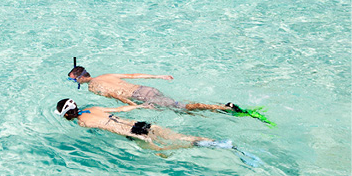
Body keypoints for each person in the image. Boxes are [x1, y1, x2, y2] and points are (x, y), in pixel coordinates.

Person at [55, 99, 261, 165]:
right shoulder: (94, 109)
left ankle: (216, 145)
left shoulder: (83, 123)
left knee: (166, 150)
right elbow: (120, 110)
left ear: (66, 115)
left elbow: (112, 128)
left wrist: (143, 141)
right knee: (180, 137)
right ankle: (220, 142)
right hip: (142, 123)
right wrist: (142, 105)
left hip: (133, 133)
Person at [67, 64, 240, 114]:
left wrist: (134, 107)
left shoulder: (94, 87)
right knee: (178, 109)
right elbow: (133, 75)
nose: (72, 81)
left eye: (72, 79)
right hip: (147, 88)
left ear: (81, 78)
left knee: (180, 106)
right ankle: (216, 111)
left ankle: (223, 107)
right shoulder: (106, 75)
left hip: (140, 97)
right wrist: (159, 76)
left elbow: (115, 95)